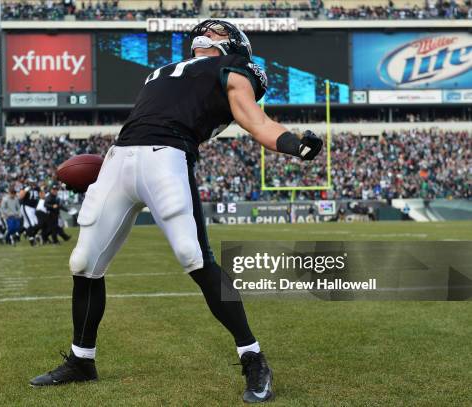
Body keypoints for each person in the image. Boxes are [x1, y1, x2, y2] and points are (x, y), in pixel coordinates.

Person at [30, 20, 322, 403]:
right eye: (209, 30)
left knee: (193, 256)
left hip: (166, 158)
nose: (211, 33)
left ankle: (252, 357)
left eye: (219, 32)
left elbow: (255, 121)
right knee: (83, 261)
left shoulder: (235, 69)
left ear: (231, 46)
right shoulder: (159, 72)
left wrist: (293, 144)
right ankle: (82, 360)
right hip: (119, 156)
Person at [19, 178, 40, 246]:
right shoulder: (26, 188)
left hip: (33, 208)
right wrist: (25, 190)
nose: (32, 184)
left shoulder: (37, 188)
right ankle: (31, 239)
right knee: (32, 224)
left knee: (35, 224)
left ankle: (17, 235)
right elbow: (21, 196)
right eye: (31, 182)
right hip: (27, 207)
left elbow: (42, 195)